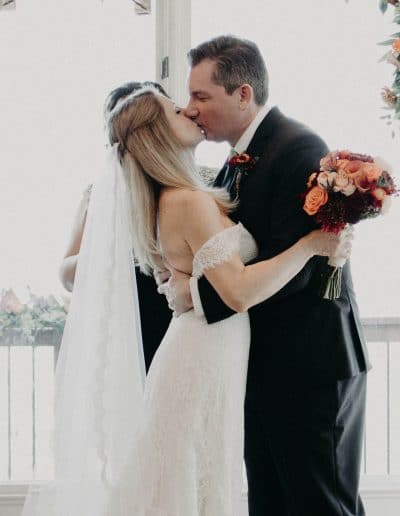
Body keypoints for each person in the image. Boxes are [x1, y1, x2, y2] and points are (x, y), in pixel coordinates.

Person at [22, 84, 352, 516]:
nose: (190, 112)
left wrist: (189, 288)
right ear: (158, 132)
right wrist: (311, 245)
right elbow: (237, 291)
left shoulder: (179, 193)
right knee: (190, 483)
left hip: (210, 347)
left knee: (193, 478)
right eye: (177, 110)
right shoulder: (186, 201)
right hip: (203, 351)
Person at [164, 35, 370, 516]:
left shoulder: (298, 149)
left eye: (200, 96)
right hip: (266, 368)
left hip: (311, 368)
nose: (190, 109)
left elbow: (298, 270)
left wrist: (196, 294)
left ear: (243, 94)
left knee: (320, 505)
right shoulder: (236, 160)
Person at [59, 81, 172, 371]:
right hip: (118, 333)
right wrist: (109, 248)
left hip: (176, 326)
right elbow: (67, 273)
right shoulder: (98, 195)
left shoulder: (191, 186)